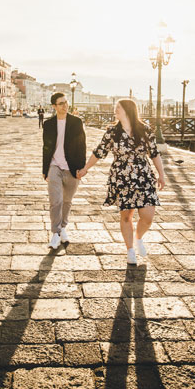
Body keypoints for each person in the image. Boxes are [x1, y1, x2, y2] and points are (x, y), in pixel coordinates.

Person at [78, 98, 165, 266]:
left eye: (118, 107)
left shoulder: (145, 130)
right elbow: (99, 152)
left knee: (147, 217)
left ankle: (138, 238)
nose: (115, 110)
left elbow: (154, 154)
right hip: (121, 177)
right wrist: (85, 168)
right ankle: (130, 250)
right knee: (126, 216)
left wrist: (161, 174)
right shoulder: (112, 132)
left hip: (143, 176)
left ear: (128, 110)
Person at [42, 92, 86, 249]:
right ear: (54, 106)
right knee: (55, 201)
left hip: (72, 167)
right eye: (61, 103)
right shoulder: (48, 124)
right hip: (54, 166)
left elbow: (82, 145)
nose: (65, 105)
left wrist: (81, 168)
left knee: (67, 201)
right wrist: (44, 169)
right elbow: (46, 147)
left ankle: (63, 228)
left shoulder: (76, 122)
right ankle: (55, 233)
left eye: (66, 102)